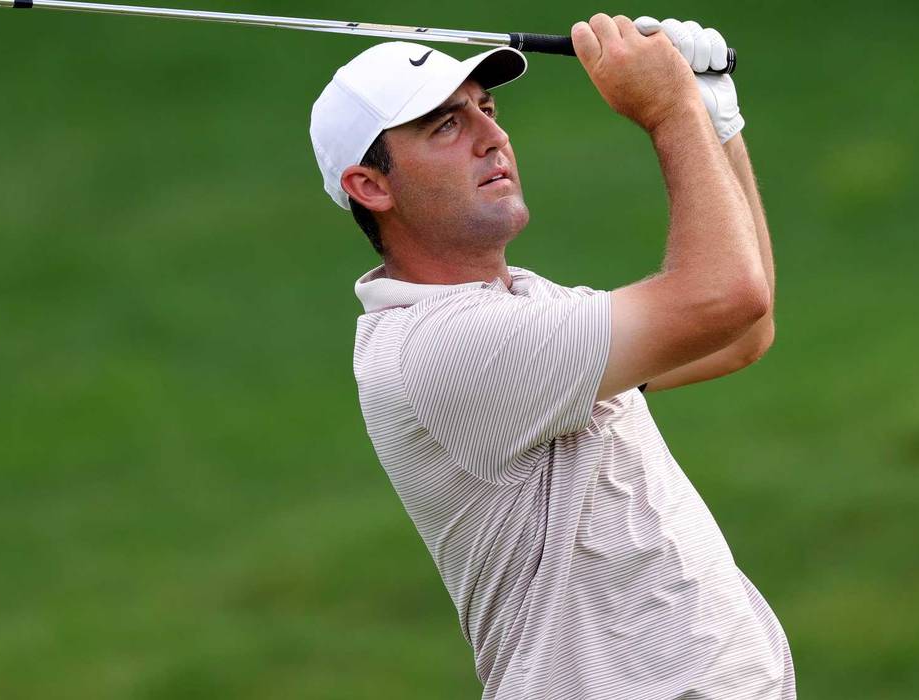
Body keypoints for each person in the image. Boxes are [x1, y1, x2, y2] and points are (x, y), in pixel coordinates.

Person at [309, 13, 789, 700]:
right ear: (371, 187)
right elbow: (724, 299)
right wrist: (670, 109)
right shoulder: (441, 347)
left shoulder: (522, 308)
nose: (492, 137)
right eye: (444, 125)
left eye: (486, 108)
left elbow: (743, 332)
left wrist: (717, 123)